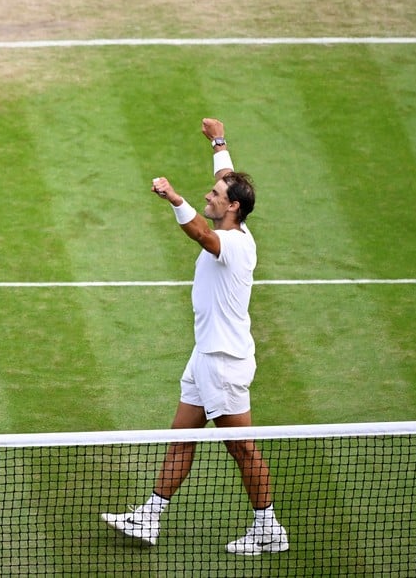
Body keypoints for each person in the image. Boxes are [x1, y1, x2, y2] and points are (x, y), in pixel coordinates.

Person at [100, 118, 289, 556]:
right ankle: (150, 516)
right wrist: (219, 142)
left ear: (233, 209)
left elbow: (200, 234)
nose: (210, 193)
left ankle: (269, 528)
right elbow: (226, 177)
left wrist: (174, 199)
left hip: (224, 362)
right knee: (181, 436)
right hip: (205, 356)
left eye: (215, 196)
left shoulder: (233, 244)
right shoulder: (235, 218)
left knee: (242, 449)